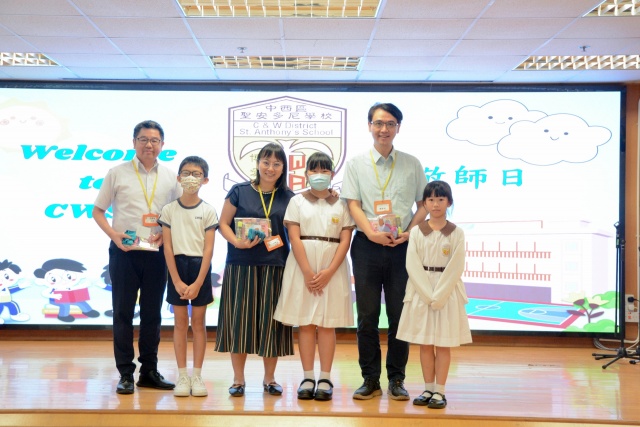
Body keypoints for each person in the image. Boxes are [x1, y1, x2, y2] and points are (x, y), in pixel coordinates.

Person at [340, 102, 428, 401]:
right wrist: (371, 233)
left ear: (398, 128)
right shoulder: (356, 164)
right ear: (369, 126)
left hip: (402, 247)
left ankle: (397, 379)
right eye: (378, 123)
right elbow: (353, 204)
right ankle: (370, 379)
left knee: (399, 315)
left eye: (390, 123)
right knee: (367, 315)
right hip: (367, 246)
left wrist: (408, 233)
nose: (384, 129)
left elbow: (423, 205)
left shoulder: (412, 164)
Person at [93, 120, 181, 395]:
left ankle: (149, 372)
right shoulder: (117, 173)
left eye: (154, 140)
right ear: (134, 143)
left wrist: (165, 234)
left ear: (162, 145)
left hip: (156, 254)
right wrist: (113, 235)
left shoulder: (170, 177)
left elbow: (178, 213)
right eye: (143, 139)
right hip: (124, 253)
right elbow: (97, 211)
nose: (149, 145)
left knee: (152, 314)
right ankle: (125, 373)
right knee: (122, 313)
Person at [273, 152, 356, 401]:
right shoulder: (297, 201)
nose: (319, 174)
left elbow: (345, 240)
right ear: (306, 173)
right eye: (314, 170)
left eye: (324, 170)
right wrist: (308, 272)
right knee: (306, 324)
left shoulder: (342, 204)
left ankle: (326, 377)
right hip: (302, 267)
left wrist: (329, 271)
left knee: (327, 324)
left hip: (333, 268)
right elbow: (293, 237)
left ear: (332, 174)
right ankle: (308, 377)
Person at [215, 142, 295, 397]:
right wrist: (237, 241)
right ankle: (238, 379)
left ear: (283, 168)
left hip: (275, 267)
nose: (270, 168)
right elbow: (223, 223)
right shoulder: (239, 191)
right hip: (241, 265)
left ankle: (269, 379)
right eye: (266, 162)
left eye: (276, 164)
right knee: (239, 322)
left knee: (271, 325)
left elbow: (296, 231)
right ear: (258, 163)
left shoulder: (289, 197)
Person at [397, 180, 471, 409]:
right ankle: (428, 388)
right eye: (431, 199)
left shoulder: (457, 233)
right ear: (425, 203)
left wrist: (439, 295)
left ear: (449, 202)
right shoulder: (417, 232)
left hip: (447, 294)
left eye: (440, 199)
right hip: (421, 293)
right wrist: (428, 294)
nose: (436, 204)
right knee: (425, 344)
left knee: (443, 344)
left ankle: (440, 391)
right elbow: (412, 264)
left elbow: (456, 266)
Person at [159, 156, 218, 397]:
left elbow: (209, 249)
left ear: (205, 180)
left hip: (200, 268)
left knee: (199, 324)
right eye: (186, 173)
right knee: (180, 323)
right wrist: (176, 280)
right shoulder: (169, 210)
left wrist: (198, 282)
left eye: (196, 174)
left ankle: (197, 375)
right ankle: (182, 375)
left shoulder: (208, 211)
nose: (190, 178)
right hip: (177, 268)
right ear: (178, 177)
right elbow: (168, 247)